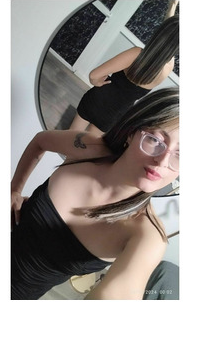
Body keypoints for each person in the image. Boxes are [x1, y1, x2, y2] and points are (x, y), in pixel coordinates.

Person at [11, 87, 179, 300]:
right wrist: (14, 189)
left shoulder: (145, 236)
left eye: (180, 153)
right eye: (155, 140)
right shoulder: (90, 149)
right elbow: (40, 141)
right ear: (131, 132)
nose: (162, 162)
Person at [69, 0, 179, 136]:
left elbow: (94, 75)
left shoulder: (136, 54)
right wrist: (172, 5)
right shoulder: (169, 66)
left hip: (98, 99)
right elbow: (171, 35)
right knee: (88, 144)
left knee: (69, 137)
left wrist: (97, 82)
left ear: (159, 33)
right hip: (115, 113)